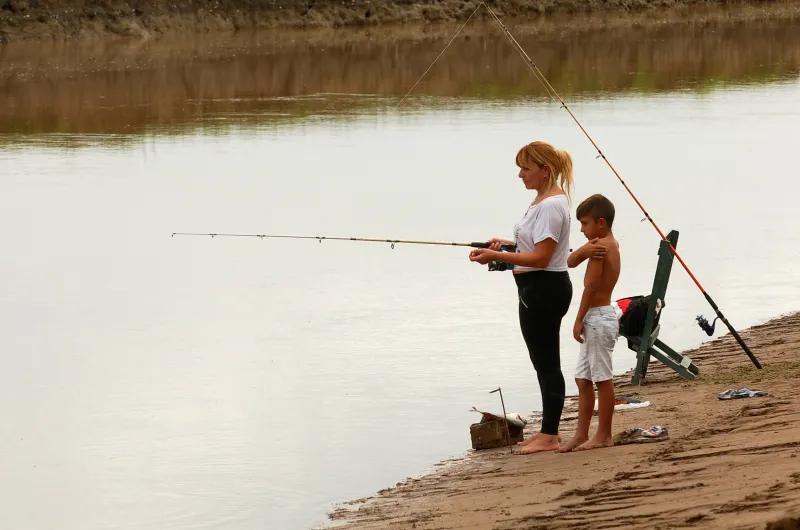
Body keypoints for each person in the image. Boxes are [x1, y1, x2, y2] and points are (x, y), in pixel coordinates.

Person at [469, 140, 593, 455]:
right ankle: (547, 432)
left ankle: (550, 435)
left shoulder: (552, 205)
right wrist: (505, 245)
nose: (520, 175)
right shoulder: (543, 201)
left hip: (544, 290)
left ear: (544, 170)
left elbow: (541, 258)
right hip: (537, 288)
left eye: (525, 168)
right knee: (543, 363)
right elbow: (538, 248)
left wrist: (496, 257)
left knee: (547, 364)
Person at [559, 194, 621, 452]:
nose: (582, 230)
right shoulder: (606, 243)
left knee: (602, 379)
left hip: (597, 318)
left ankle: (604, 434)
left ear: (601, 223)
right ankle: (581, 434)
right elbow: (570, 261)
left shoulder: (601, 248)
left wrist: (577, 320)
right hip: (598, 317)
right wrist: (582, 250)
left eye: (585, 224)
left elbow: (590, 287)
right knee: (582, 379)